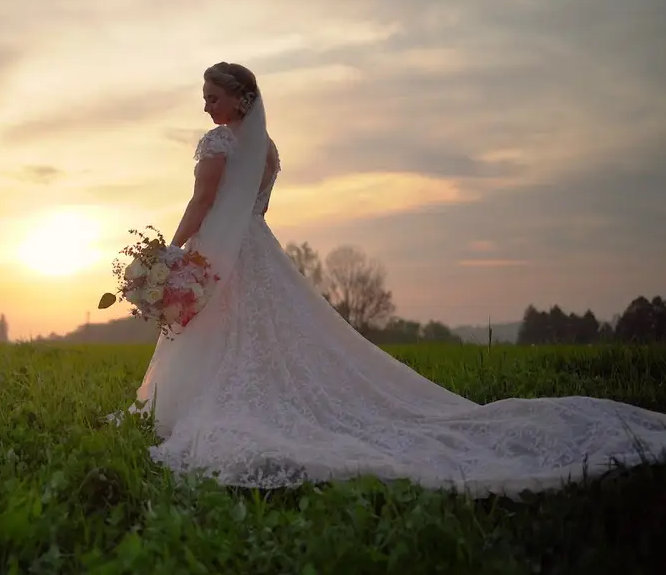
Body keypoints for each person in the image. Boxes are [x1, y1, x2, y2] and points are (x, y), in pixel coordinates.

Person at [121, 61, 666, 498]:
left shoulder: (217, 146)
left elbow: (203, 202)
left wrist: (170, 253)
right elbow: (257, 207)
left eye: (213, 96)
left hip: (223, 250)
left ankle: (210, 408)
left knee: (230, 329)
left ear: (240, 98)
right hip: (258, 250)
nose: (207, 106)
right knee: (257, 331)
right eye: (204, 98)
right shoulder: (268, 150)